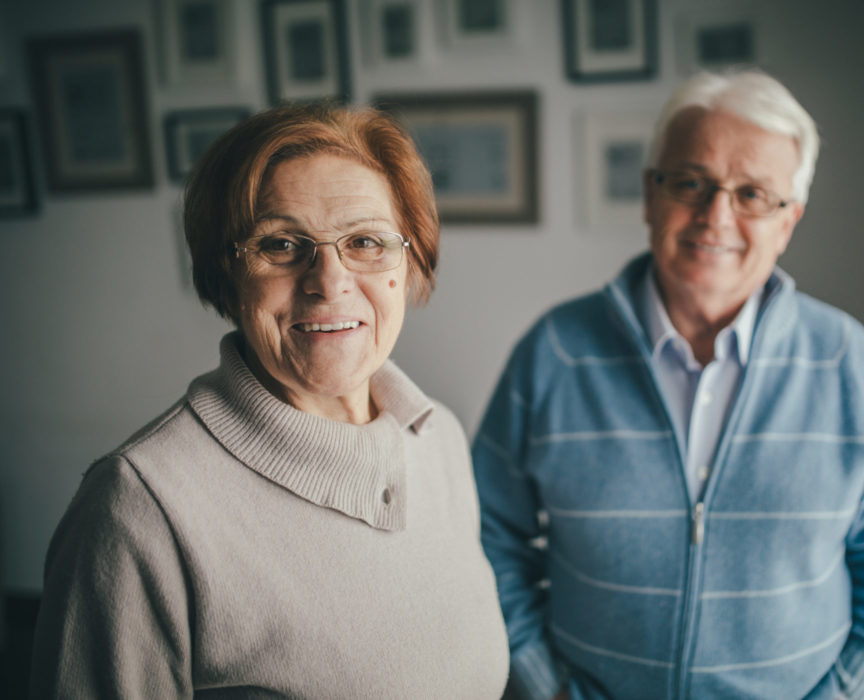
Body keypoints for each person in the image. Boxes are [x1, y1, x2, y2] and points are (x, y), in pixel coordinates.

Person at [473, 70, 864, 700]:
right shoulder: (554, 352)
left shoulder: (850, 365)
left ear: (788, 221)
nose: (715, 215)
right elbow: (485, 535)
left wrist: (844, 694)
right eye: (690, 182)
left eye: (752, 193)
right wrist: (541, 683)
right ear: (649, 195)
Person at [31, 103, 509, 698]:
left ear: (410, 262)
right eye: (281, 244)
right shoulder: (139, 510)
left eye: (365, 241)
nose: (329, 281)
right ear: (226, 277)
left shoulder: (439, 440)